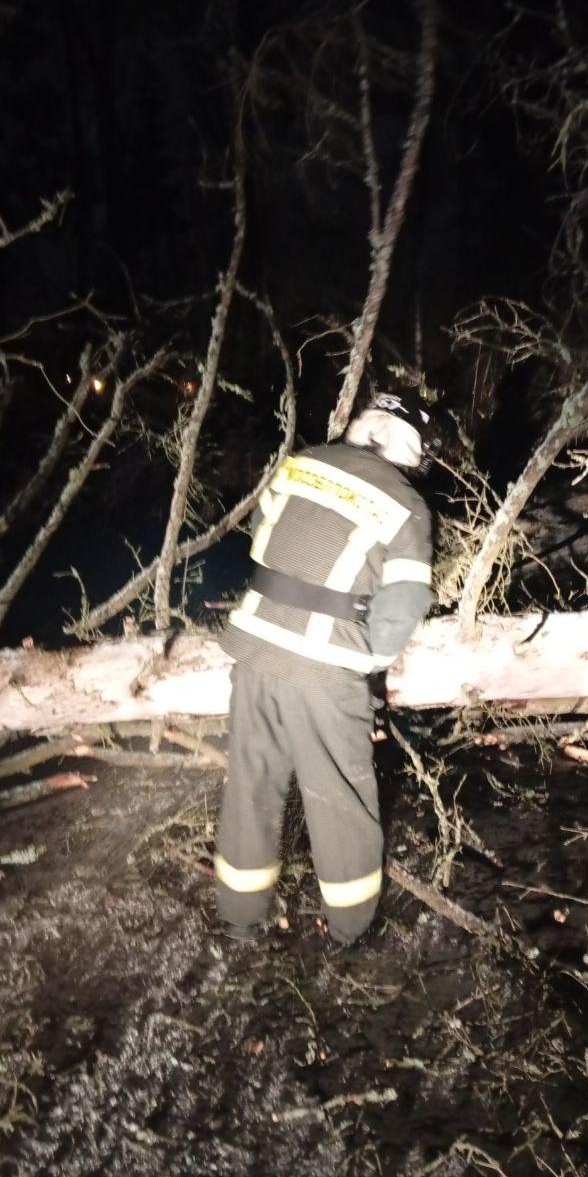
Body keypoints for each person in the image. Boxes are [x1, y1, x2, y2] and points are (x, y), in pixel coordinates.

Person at [214, 391, 436, 945]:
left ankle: (240, 922)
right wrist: (372, 661)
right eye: (421, 449)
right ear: (402, 440)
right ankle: (349, 932)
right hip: (326, 669)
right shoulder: (406, 504)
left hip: (254, 647)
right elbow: (405, 601)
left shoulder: (300, 464)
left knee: (250, 786)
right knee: (340, 800)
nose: (421, 461)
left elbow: (267, 540)